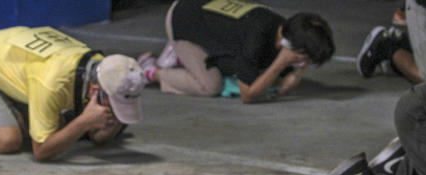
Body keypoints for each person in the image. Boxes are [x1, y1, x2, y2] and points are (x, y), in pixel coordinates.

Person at [0, 26, 145, 162]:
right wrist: (83, 123)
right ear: (96, 90)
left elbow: (99, 138)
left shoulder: (107, 72)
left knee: (54, 130)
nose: (113, 110)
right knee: (8, 142)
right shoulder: (52, 83)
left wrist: (113, 118)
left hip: (15, 60)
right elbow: (42, 152)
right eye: (112, 104)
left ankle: (2, 110)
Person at [136, 1, 334, 102]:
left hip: (206, 20)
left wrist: (299, 68)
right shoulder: (257, 37)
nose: (301, 61)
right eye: (303, 56)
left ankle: (183, 58)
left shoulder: (286, 30)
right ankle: (151, 70)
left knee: (262, 75)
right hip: (183, 22)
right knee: (210, 85)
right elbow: (248, 95)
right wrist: (280, 63)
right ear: (290, 45)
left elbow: (281, 88)